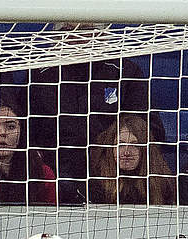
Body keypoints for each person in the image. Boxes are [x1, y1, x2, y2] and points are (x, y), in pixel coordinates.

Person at [26, 24, 162, 204]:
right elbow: (27, 131)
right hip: (58, 169)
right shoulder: (41, 75)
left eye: (85, 29)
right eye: (67, 29)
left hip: (114, 173)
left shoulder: (126, 72)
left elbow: (151, 129)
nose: (76, 36)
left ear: (102, 32)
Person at [86, 114, 176, 205]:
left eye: (135, 145)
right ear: (111, 147)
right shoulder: (94, 181)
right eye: (121, 144)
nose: (126, 152)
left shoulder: (163, 183)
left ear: (145, 150)